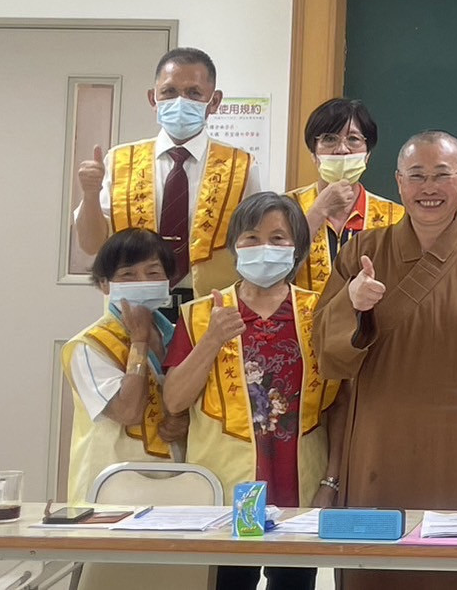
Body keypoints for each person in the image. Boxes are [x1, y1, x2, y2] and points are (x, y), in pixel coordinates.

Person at [316, 131, 457, 590]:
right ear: (399, 183)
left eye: (442, 175)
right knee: (383, 570)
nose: (429, 188)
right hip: (383, 452)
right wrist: (352, 304)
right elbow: (329, 357)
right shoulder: (362, 252)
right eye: (417, 176)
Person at [163, 193, 340, 590]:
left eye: (278, 238)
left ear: (297, 248)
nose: (264, 247)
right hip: (226, 488)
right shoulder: (199, 314)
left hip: (299, 485)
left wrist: (331, 482)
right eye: (251, 237)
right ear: (234, 246)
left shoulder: (321, 313)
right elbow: (174, 400)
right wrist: (212, 340)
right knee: (227, 583)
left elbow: (340, 406)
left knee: (293, 585)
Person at [73, 47, 262, 297]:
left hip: (211, 302)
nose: (180, 101)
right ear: (153, 99)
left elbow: (256, 244)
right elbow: (91, 245)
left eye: (193, 93)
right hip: (134, 301)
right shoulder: (120, 161)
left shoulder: (240, 166)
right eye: (169, 92)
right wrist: (90, 194)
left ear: (214, 101)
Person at [61, 228, 181, 504]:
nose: (143, 281)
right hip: (112, 489)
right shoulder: (89, 345)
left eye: (153, 272)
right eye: (128, 274)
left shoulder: (177, 336)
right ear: (105, 285)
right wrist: (138, 342)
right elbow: (128, 411)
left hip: (179, 482)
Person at [285, 97, 405, 293]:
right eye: (329, 139)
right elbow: (271, 278)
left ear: (367, 155)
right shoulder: (284, 208)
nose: (342, 149)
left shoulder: (395, 216)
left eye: (353, 139)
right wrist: (318, 211)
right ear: (313, 154)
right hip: (302, 313)